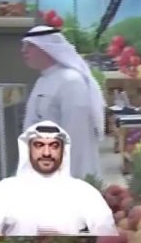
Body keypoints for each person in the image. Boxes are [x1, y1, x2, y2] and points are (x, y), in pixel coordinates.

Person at [0, 121, 117, 236]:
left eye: (54, 146)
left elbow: (106, 233)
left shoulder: (84, 191)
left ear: (63, 151)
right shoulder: (5, 189)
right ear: (28, 149)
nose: (46, 153)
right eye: (39, 145)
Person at [21, 25, 106, 179]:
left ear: (47, 47)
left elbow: (76, 137)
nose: (24, 51)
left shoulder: (71, 82)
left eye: (30, 46)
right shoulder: (43, 80)